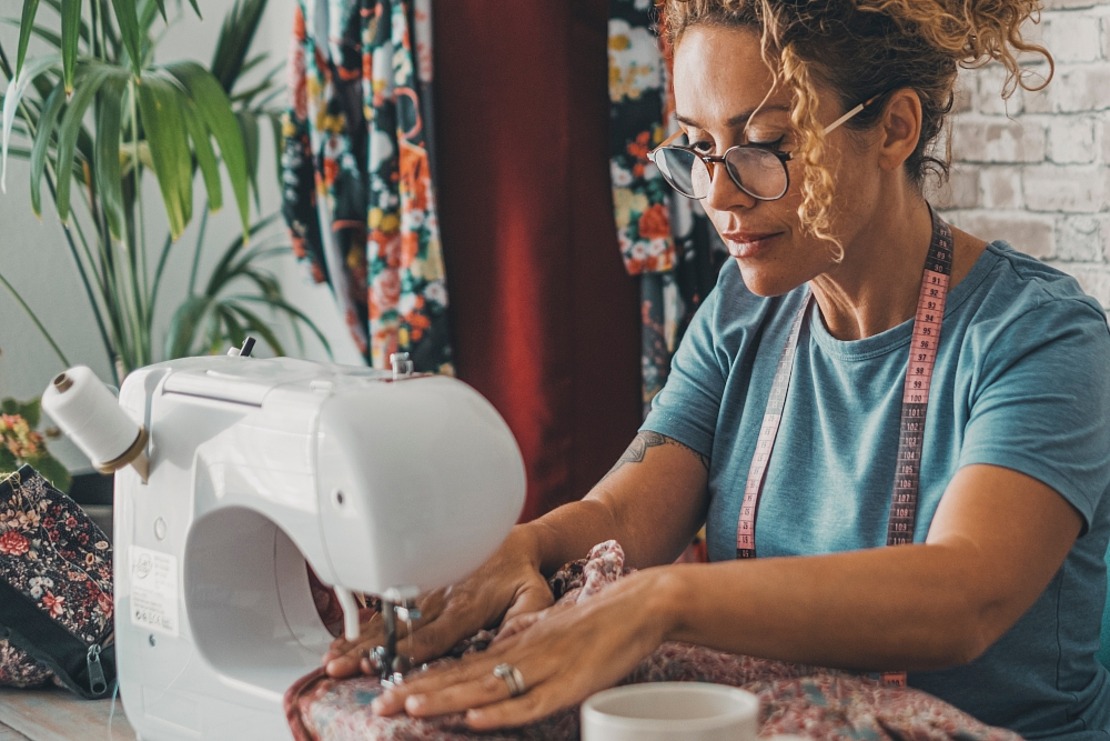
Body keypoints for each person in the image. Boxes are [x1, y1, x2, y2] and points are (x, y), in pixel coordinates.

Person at [323, 0, 1110, 737]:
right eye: (699, 149)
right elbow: (627, 516)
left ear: (894, 129)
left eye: (765, 145)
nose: (718, 194)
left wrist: (661, 600)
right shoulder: (743, 306)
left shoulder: (1040, 338)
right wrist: (527, 546)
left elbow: (964, 594)